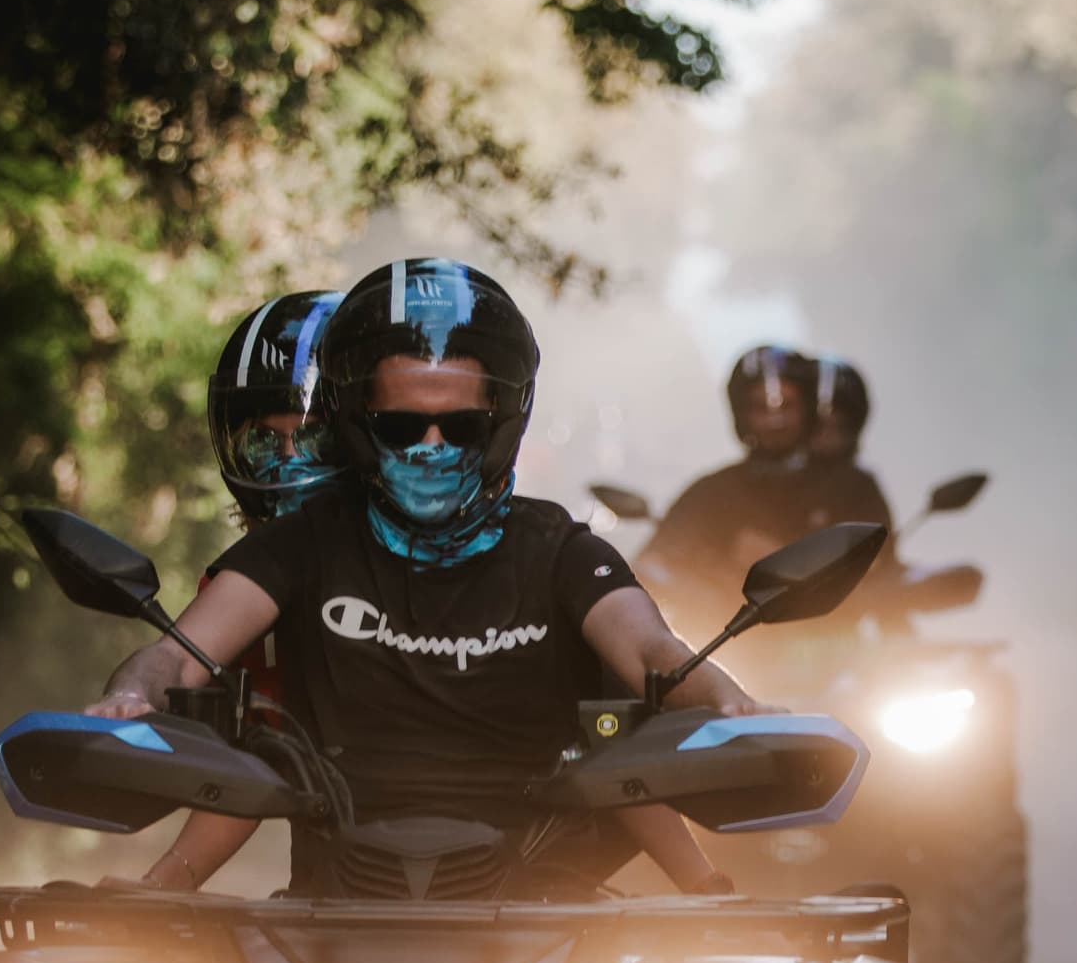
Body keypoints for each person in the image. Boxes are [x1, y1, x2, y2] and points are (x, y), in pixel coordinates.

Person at [93, 257, 746, 895]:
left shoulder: (558, 551)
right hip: (334, 923)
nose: (431, 447)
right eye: (402, 426)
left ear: (499, 424)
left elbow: (650, 659)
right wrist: (129, 702)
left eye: (461, 426)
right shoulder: (299, 548)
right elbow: (185, 668)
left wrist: (730, 713)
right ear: (364, 425)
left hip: (542, 923)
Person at [122, 290, 339, 892]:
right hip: (335, 905)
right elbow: (260, 753)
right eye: (266, 442)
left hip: (515, 907)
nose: (289, 463)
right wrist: (161, 887)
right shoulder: (249, 588)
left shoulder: (476, 561)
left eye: (317, 440)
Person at [639, 344, 893, 618]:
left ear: (808, 410)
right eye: (761, 408)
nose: (775, 420)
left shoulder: (853, 488)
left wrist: (784, 564)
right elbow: (649, 567)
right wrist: (712, 583)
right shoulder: (711, 492)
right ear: (742, 414)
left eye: (788, 406)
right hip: (724, 639)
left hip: (837, 643)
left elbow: (882, 576)